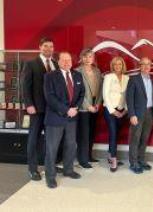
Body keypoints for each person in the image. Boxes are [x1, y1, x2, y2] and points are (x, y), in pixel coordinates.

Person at [43, 52, 85, 188]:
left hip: (72, 118)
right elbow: (50, 97)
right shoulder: (50, 76)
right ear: (58, 61)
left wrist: (76, 108)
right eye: (64, 60)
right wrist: (67, 110)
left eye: (69, 60)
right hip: (55, 118)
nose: (67, 62)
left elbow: (81, 93)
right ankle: (50, 176)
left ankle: (68, 170)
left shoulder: (77, 75)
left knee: (71, 145)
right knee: (52, 148)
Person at [22, 37, 58, 181]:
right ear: (40, 47)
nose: (49, 49)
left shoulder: (55, 63)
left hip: (52, 110)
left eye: (51, 46)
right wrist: (28, 104)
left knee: (50, 139)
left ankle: (50, 166)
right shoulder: (31, 64)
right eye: (46, 46)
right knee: (34, 139)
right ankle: (32, 169)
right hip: (36, 109)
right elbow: (25, 86)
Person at [126, 57, 153, 174]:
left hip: (149, 113)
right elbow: (129, 98)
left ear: (150, 66)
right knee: (135, 138)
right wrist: (132, 115)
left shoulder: (152, 80)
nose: (146, 66)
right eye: (143, 64)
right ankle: (133, 163)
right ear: (140, 66)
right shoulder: (134, 79)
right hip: (137, 114)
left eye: (148, 64)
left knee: (144, 139)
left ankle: (141, 160)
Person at [75, 48, 103, 168]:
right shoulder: (77, 71)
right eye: (85, 56)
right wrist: (88, 106)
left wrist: (98, 103)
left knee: (91, 133)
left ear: (93, 58)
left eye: (90, 56)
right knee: (83, 134)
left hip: (95, 105)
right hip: (83, 107)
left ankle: (89, 155)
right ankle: (82, 159)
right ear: (82, 58)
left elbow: (101, 89)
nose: (88, 59)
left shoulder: (97, 71)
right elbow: (77, 92)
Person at [103, 56, 129, 172]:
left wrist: (125, 110)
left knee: (115, 134)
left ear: (123, 65)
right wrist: (113, 111)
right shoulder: (108, 77)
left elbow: (128, 95)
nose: (118, 66)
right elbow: (105, 94)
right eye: (115, 64)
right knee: (113, 133)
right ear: (112, 66)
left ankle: (110, 154)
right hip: (110, 110)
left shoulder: (127, 78)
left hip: (122, 110)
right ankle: (113, 160)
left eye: (120, 64)